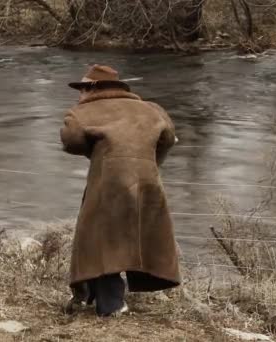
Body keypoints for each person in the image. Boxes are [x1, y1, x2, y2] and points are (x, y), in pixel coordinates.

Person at [60, 64, 181, 317]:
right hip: (149, 182)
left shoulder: (83, 112)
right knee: (134, 236)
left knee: (100, 239)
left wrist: (95, 150)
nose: (79, 94)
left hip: (108, 182)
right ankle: (99, 296)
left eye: (82, 89)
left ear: (93, 88)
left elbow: (71, 141)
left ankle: (112, 305)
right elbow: (169, 138)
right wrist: (149, 161)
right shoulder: (152, 109)